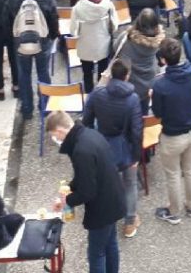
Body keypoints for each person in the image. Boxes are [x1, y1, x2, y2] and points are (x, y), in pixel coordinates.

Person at [48, 111, 127, 273]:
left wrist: (67, 201)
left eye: (55, 136)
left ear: (60, 131)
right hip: (114, 197)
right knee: (110, 244)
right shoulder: (90, 134)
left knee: (96, 254)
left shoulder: (81, 151)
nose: (56, 140)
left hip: (102, 208)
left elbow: (87, 192)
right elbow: (85, 176)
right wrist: (69, 189)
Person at [83, 58, 143, 238]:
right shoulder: (133, 99)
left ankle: (107, 217)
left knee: (106, 184)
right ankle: (130, 222)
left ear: (110, 75)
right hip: (125, 148)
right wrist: (136, 156)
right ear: (127, 76)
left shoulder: (97, 94)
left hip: (103, 147)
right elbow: (136, 131)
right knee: (130, 183)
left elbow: (86, 121)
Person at [150, 37, 191, 226]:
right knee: (190, 169)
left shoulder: (160, 85)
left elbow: (157, 113)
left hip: (172, 135)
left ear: (163, 59)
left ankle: (174, 211)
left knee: (173, 175)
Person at [3, 0, 59, 120]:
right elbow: (53, 18)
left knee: (24, 74)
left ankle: (27, 109)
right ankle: (45, 105)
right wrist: (52, 36)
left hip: (20, 41)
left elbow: (6, 19)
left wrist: (11, 39)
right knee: (43, 72)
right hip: (42, 40)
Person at [71, 0, 118, 93]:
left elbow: (73, 31)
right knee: (103, 73)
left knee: (87, 73)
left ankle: (89, 95)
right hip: (103, 46)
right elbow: (115, 26)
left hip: (85, 48)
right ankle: (101, 94)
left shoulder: (77, 8)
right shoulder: (108, 5)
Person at [121, 8, 165, 114]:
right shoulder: (158, 41)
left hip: (130, 83)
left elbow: (115, 47)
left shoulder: (126, 39)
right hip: (148, 83)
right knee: (143, 114)